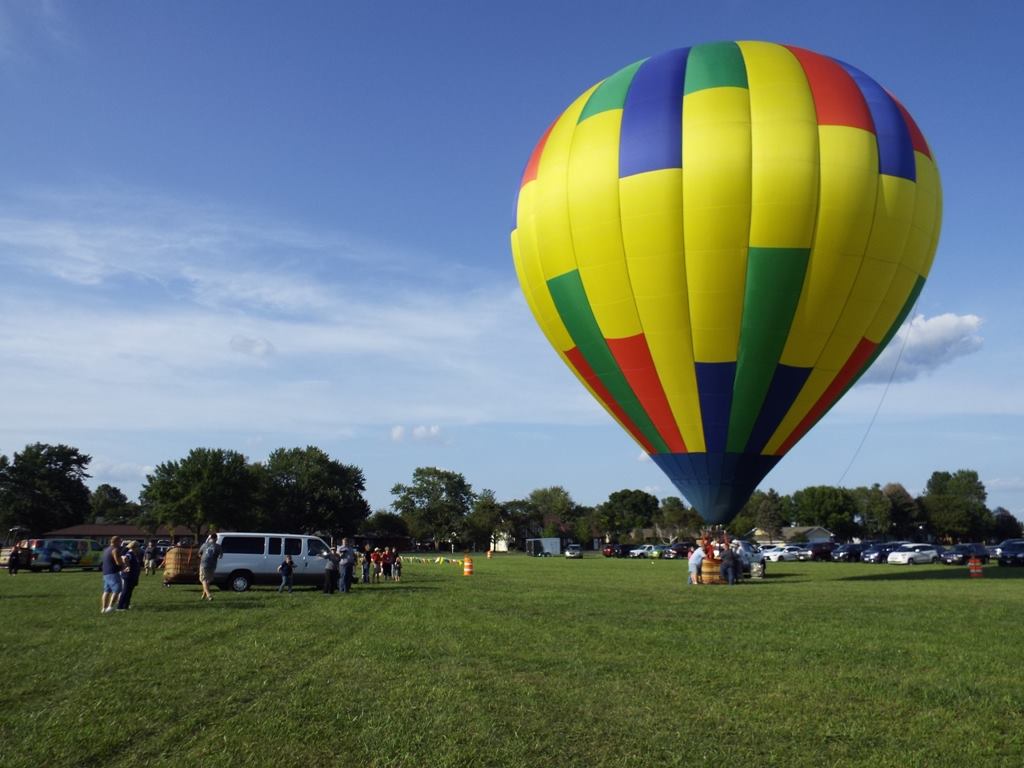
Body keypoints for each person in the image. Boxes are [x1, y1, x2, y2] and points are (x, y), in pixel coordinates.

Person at [100, 536, 125, 614]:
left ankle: (103, 608)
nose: (120, 544)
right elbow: (118, 562)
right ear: (116, 541)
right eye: (120, 542)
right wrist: (124, 564)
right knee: (117, 590)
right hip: (113, 572)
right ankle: (110, 607)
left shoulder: (106, 549)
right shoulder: (115, 550)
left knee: (106, 591)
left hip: (106, 572)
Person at [117, 541, 142, 610]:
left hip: (133, 576)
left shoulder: (134, 554)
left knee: (129, 592)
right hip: (128, 576)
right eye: (138, 547)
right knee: (125, 591)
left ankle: (126, 606)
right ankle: (119, 607)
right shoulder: (130, 553)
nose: (139, 548)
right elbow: (125, 558)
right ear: (134, 547)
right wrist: (127, 566)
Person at [198, 533, 222, 601]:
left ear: (210, 538)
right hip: (212, 565)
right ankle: (204, 595)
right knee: (208, 580)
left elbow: (199, 553)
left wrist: (202, 557)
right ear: (216, 539)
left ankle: (208, 595)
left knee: (203, 580)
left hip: (204, 564)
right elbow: (220, 556)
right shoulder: (218, 546)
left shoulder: (204, 544)